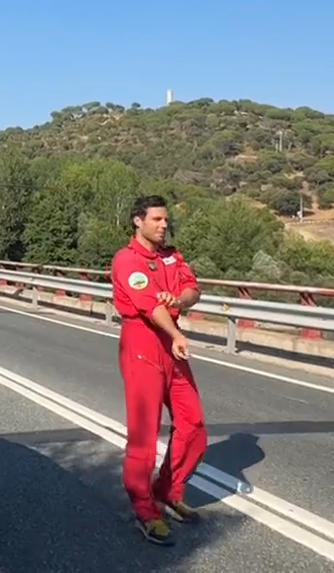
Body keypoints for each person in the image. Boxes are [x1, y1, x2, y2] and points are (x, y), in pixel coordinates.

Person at [110, 195, 207, 546]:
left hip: (170, 344)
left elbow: (192, 288)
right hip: (143, 344)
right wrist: (176, 331)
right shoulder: (128, 260)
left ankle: (168, 489)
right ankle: (145, 511)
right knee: (144, 433)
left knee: (193, 423)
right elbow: (151, 308)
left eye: (166, 219)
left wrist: (180, 300)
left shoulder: (171, 255)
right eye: (156, 219)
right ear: (138, 221)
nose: (164, 225)